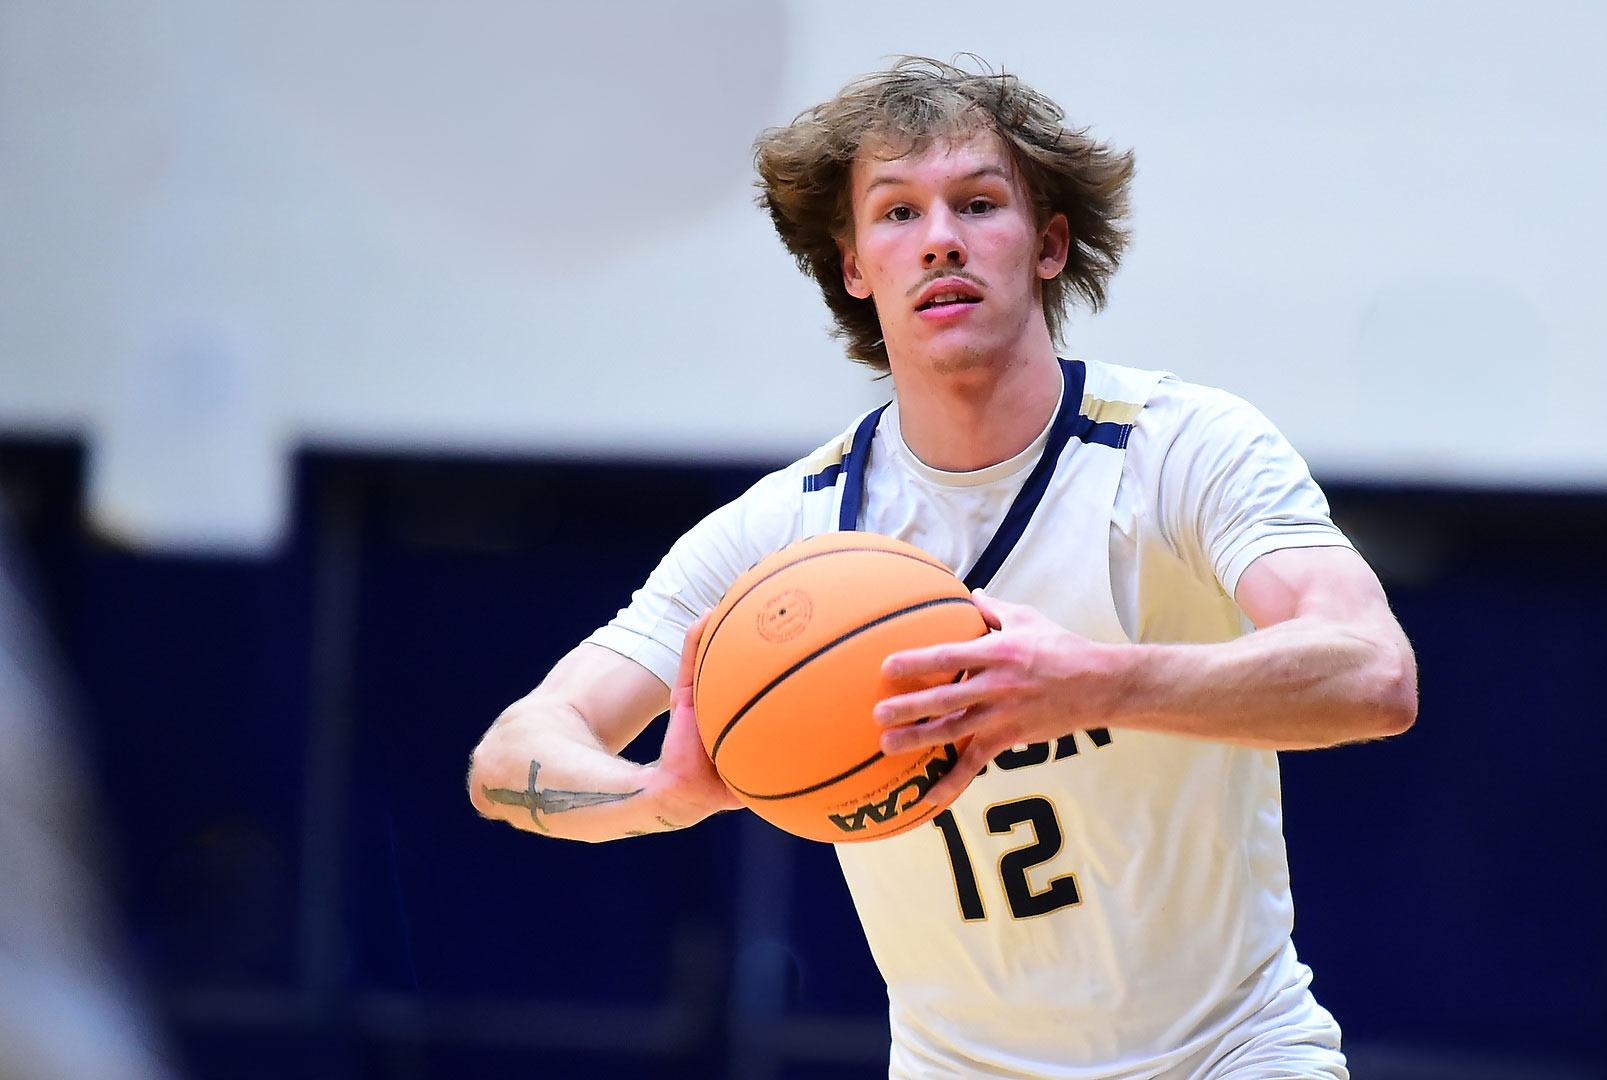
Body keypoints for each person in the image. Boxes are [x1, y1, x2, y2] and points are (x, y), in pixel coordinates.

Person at [468, 56, 1417, 1080]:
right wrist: (664, 792)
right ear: (853, 268)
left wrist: (1099, 682)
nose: (942, 238)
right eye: (896, 213)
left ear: (1049, 244)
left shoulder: (1180, 449)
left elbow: (1373, 673)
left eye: (978, 202)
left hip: (1231, 1054)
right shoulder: (785, 537)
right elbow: (511, 758)